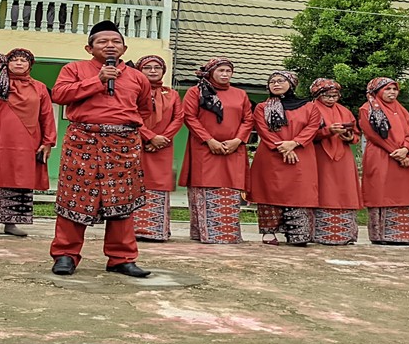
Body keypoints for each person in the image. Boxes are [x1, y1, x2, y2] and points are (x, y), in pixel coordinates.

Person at [49, 20, 153, 278]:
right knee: (74, 198)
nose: (110, 46)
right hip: (83, 140)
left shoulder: (138, 77)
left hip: (123, 145)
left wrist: (121, 126)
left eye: (116, 42)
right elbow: (59, 95)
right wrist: (97, 81)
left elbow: (144, 110)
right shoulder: (74, 69)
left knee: (122, 202)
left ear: (124, 48)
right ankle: (65, 255)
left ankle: (121, 258)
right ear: (89, 48)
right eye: (103, 42)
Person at [0, 48, 56, 237]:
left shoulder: (40, 88)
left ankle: (12, 223)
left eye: (23, 60)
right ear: (7, 63)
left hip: (28, 142)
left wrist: (48, 141)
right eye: (15, 60)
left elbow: (47, 116)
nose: (19, 63)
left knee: (21, 180)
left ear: (30, 65)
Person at [179, 58, 253, 244]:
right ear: (211, 72)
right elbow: (190, 117)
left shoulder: (240, 94)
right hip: (204, 149)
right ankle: (205, 234)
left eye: (228, 70)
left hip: (233, 150)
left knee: (230, 189)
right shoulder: (195, 92)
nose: (225, 74)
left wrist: (237, 140)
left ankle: (228, 234)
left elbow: (248, 120)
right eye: (221, 70)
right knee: (204, 187)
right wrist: (208, 140)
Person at [249, 70, 321, 246]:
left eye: (281, 80)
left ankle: (298, 234)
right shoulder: (262, 107)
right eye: (272, 81)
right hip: (271, 155)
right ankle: (269, 232)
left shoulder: (310, 107)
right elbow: (263, 130)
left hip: (301, 154)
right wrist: (282, 147)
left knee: (300, 192)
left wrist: (294, 143)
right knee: (269, 192)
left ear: (292, 84)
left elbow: (312, 128)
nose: (276, 84)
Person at [358, 78, 409, 245]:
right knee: (381, 192)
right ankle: (381, 236)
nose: (392, 92)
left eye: (395, 89)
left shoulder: (401, 110)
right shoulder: (368, 109)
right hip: (381, 155)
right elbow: (373, 135)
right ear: (378, 91)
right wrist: (396, 152)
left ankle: (403, 235)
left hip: (402, 156)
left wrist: (406, 149)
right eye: (387, 89)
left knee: (403, 193)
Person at [132, 55, 183, 242]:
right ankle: (132, 232)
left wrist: (163, 139)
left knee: (159, 185)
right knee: (134, 185)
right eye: (148, 68)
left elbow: (179, 118)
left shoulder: (172, 94)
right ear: (140, 71)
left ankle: (157, 231)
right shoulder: (133, 92)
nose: (153, 71)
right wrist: (150, 137)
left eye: (157, 67)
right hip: (136, 144)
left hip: (163, 147)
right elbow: (131, 114)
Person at [308, 78, 361, 246]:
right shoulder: (309, 109)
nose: (331, 99)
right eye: (327, 96)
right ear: (318, 95)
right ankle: (318, 233)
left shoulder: (345, 111)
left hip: (343, 156)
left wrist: (350, 136)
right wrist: (327, 131)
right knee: (323, 189)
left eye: (335, 96)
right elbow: (305, 134)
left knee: (344, 190)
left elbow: (356, 134)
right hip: (319, 155)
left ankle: (344, 234)